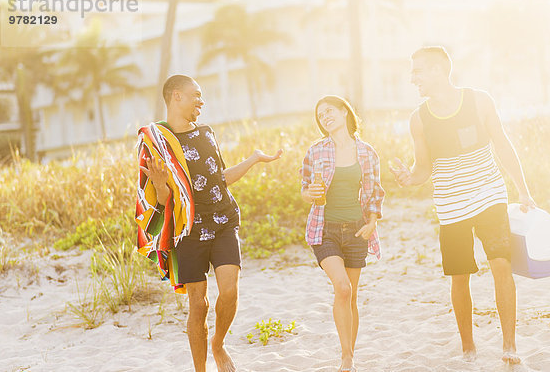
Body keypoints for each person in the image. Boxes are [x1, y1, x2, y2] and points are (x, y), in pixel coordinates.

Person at [390, 46, 536, 364]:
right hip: (451, 204)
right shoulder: (419, 120)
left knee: (501, 264)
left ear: (440, 70)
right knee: (460, 276)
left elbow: (502, 144)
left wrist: (523, 190)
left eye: (418, 71)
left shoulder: (479, 100)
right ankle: (468, 347)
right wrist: (408, 178)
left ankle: (509, 345)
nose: (413, 78)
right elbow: (423, 168)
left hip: (489, 194)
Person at [135, 75, 282, 372]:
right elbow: (161, 202)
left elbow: (221, 178)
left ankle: (218, 343)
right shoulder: (155, 142)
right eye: (196, 95)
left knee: (229, 291)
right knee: (198, 305)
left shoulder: (206, 133)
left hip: (223, 219)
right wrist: (161, 184)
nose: (201, 101)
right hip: (188, 229)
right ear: (176, 96)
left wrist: (253, 159)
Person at [301, 95, 385, 372]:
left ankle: (349, 355)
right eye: (320, 115)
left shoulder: (367, 152)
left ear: (345, 112)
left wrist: (372, 221)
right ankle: (346, 357)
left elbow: (374, 193)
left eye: (329, 111)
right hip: (325, 231)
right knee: (343, 287)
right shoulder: (315, 151)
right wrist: (308, 193)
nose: (325, 117)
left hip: (356, 231)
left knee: (351, 296)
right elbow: (305, 188)